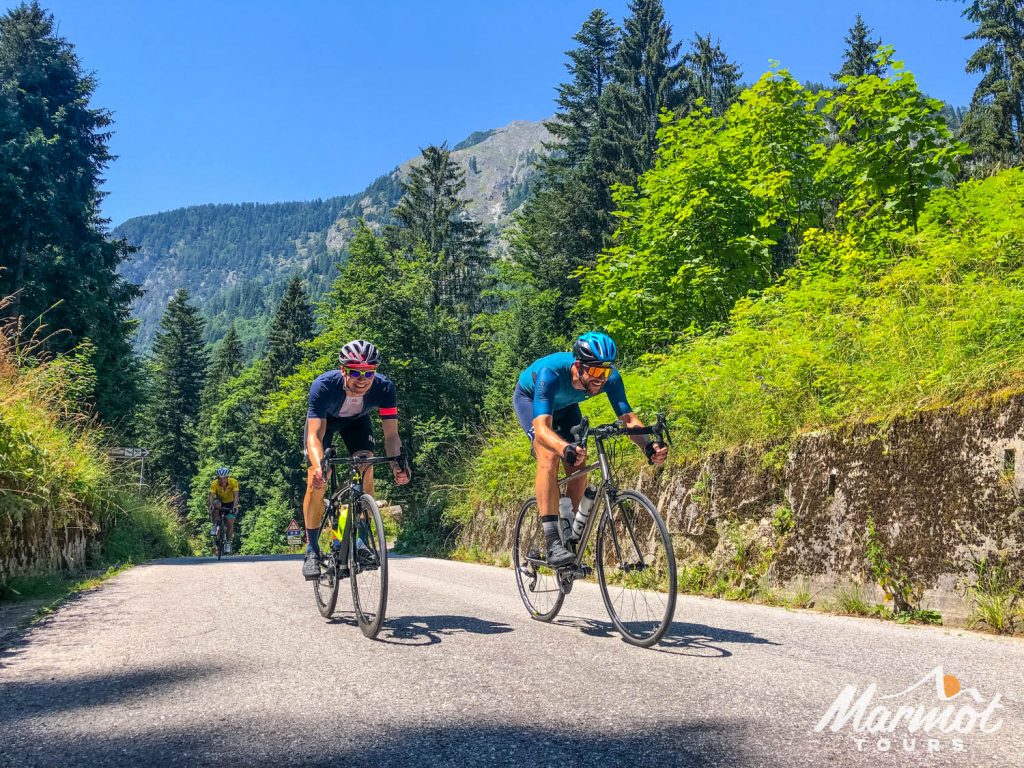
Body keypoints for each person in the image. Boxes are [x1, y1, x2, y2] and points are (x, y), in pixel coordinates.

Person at [514, 332, 669, 567]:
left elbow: (629, 420)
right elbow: (543, 429)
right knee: (548, 455)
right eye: (595, 372)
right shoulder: (551, 374)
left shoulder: (609, 378)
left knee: (578, 461)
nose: (601, 379)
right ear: (579, 366)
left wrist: (648, 444)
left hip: (566, 407)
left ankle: (569, 540)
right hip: (530, 400)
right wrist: (563, 446)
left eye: (605, 372)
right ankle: (553, 541)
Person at [302, 339, 411, 580]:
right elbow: (314, 436)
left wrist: (396, 464)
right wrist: (320, 466)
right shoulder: (323, 386)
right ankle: (312, 549)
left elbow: (391, 435)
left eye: (369, 373)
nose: (362, 379)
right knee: (317, 477)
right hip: (326, 426)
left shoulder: (384, 388)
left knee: (366, 464)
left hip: (357, 423)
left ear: (375, 372)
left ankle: (360, 540)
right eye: (354, 372)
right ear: (343, 370)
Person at [208, 467, 239, 554]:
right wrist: (210, 505)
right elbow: (211, 496)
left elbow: (236, 495)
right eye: (220, 478)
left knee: (230, 523)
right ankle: (214, 526)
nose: (222, 480)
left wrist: (235, 506)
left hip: (230, 503)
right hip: (220, 502)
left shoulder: (233, 482)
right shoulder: (214, 483)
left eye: (224, 478)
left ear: (227, 477)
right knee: (215, 504)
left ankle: (228, 543)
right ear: (217, 478)